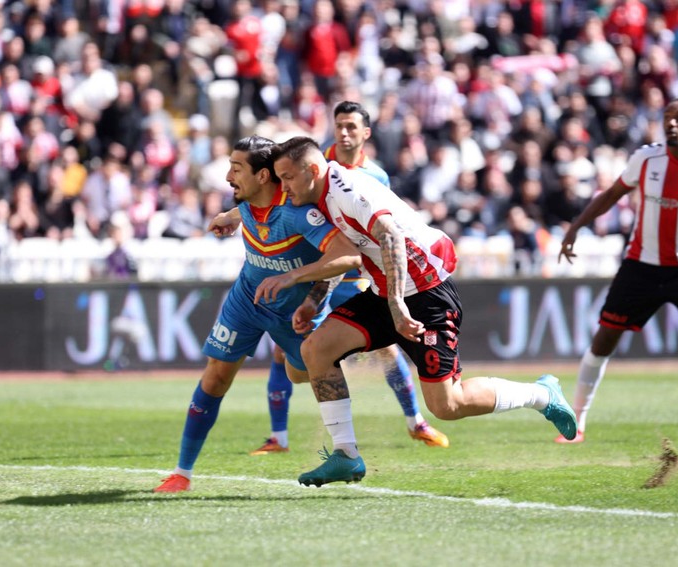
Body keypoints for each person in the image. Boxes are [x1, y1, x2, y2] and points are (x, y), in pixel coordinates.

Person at [262, 137, 577, 487]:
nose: (283, 186)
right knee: (315, 349)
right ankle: (346, 455)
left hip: (426, 295)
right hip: (387, 293)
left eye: (287, 177)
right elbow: (347, 255)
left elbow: (391, 237)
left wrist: (397, 303)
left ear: (313, 170)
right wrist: (313, 302)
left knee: (447, 406)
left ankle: (543, 395)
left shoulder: (346, 189)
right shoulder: (318, 200)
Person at [153, 136, 362, 493]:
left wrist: (301, 288)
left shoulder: (299, 213)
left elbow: (349, 256)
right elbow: (248, 209)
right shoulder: (247, 202)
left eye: (236, 169)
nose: (227, 177)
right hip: (246, 300)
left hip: (293, 313)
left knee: (302, 374)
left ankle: (348, 448)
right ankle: (181, 473)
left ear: (264, 176)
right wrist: (231, 216)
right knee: (216, 375)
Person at [250, 101, 449, 457]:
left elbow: (384, 235)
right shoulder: (308, 169)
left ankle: (414, 420)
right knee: (289, 350)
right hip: (321, 271)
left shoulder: (372, 178)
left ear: (365, 134)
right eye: (338, 125)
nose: (343, 133)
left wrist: (393, 294)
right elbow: (276, 203)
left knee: (389, 351)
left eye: (351, 127)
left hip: (358, 278)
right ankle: (279, 435)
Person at [555, 99, 678, 445]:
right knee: (604, 340)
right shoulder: (646, 158)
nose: (671, 124)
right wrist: (577, 226)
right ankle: (577, 424)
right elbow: (612, 194)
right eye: (667, 118)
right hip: (640, 267)